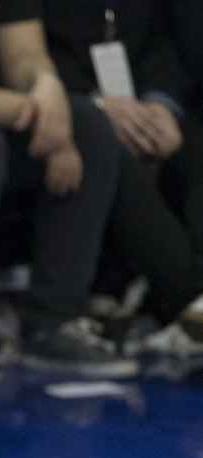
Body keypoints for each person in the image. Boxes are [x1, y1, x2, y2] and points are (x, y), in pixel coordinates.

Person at [0, 0, 138, 379]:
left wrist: (46, 87)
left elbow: (23, 54)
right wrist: (30, 110)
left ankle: (53, 320)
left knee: (89, 127)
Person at [42, 0, 203, 345]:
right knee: (106, 148)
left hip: (147, 104)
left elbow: (160, 44)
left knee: (193, 146)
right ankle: (189, 299)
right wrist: (97, 104)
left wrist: (162, 105)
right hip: (70, 109)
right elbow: (28, 56)